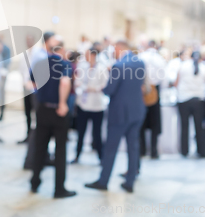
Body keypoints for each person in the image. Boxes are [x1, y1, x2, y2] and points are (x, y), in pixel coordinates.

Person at [85, 40, 146, 193]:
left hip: (120, 113)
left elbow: (110, 90)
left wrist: (102, 86)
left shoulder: (118, 66)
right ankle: (130, 181)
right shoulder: (140, 62)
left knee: (111, 148)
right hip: (137, 111)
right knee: (133, 147)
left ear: (119, 49)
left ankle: (103, 180)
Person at [30, 37, 76, 199]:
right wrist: (63, 103)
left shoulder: (39, 64)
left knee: (40, 148)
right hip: (58, 112)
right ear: (61, 50)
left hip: (42, 110)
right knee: (60, 150)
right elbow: (64, 83)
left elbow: (33, 84)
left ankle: (34, 183)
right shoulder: (65, 65)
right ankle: (59, 189)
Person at [72, 48, 108, 164]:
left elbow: (106, 85)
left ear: (93, 55)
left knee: (97, 133)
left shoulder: (102, 69)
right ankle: (77, 155)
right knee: (80, 132)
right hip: (83, 104)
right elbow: (77, 81)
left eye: (87, 54)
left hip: (97, 105)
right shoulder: (83, 67)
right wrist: (80, 86)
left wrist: (95, 89)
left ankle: (101, 157)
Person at [175, 51, 205, 158]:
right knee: (199, 127)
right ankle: (201, 151)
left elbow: (176, 83)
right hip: (199, 100)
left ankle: (184, 151)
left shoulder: (183, 65)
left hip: (183, 99)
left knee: (184, 126)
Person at [139, 38, 166, 159]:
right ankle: (154, 151)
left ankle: (142, 150)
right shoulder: (159, 58)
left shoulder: (141, 56)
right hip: (155, 89)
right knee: (155, 125)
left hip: (142, 90)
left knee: (141, 123)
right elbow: (163, 78)